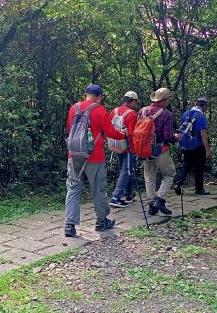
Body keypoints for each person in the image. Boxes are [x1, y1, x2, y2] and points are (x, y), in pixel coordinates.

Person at [64, 84, 128, 237]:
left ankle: (69, 226)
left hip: (75, 156)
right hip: (95, 157)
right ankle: (101, 222)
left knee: (73, 190)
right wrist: (124, 134)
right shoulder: (99, 110)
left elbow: (69, 130)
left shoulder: (74, 108)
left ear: (85, 94)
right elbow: (111, 132)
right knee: (98, 190)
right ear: (99, 97)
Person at [140, 88, 181, 216]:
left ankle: (151, 206)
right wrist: (176, 137)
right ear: (165, 100)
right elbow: (168, 136)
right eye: (168, 98)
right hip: (160, 150)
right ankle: (160, 199)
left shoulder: (143, 111)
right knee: (169, 174)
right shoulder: (166, 114)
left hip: (144, 149)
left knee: (150, 177)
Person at [172, 97, 212, 196]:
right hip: (197, 145)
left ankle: (178, 183)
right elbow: (203, 134)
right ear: (204, 106)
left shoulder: (185, 114)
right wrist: (207, 150)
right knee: (199, 167)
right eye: (206, 107)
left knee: (187, 164)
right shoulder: (201, 117)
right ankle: (199, 189)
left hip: (185, 144)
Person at [109, 91, 139, 208]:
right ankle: (116, 197)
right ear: (133, 101)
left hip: (116, 144)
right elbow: (132, 133)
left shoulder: (114, 111)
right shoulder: (132, 114)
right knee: (126, 171)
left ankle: (129, 194)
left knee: (125, 169)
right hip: (127, 146)